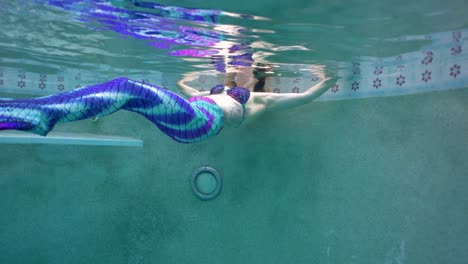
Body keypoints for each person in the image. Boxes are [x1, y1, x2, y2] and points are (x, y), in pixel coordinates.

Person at [0, 73, 336, 144]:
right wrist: (188, 80)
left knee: (127, 88)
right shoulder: (213, 90)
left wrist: (327, 80)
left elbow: (303, 97)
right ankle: (38, 113)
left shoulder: (260, 100)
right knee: (126, 95)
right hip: (188, 121)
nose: (238, 76)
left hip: (201, 122)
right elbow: (185, 89)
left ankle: (42, 114)